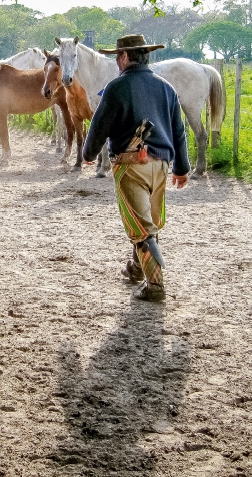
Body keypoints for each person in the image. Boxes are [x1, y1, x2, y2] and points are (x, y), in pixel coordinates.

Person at [82, 34, 190, 302]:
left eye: (118, 56)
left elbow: (99, 126)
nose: (117, 61)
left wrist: (88, 153)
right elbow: (179, 131)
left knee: (141, 227)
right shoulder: (166, 88)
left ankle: (155, 286)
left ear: (126, 57)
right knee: (147, 220)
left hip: (131, 166)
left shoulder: (116, 87)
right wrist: (182, 168)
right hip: (162, 166)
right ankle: (135, 270)